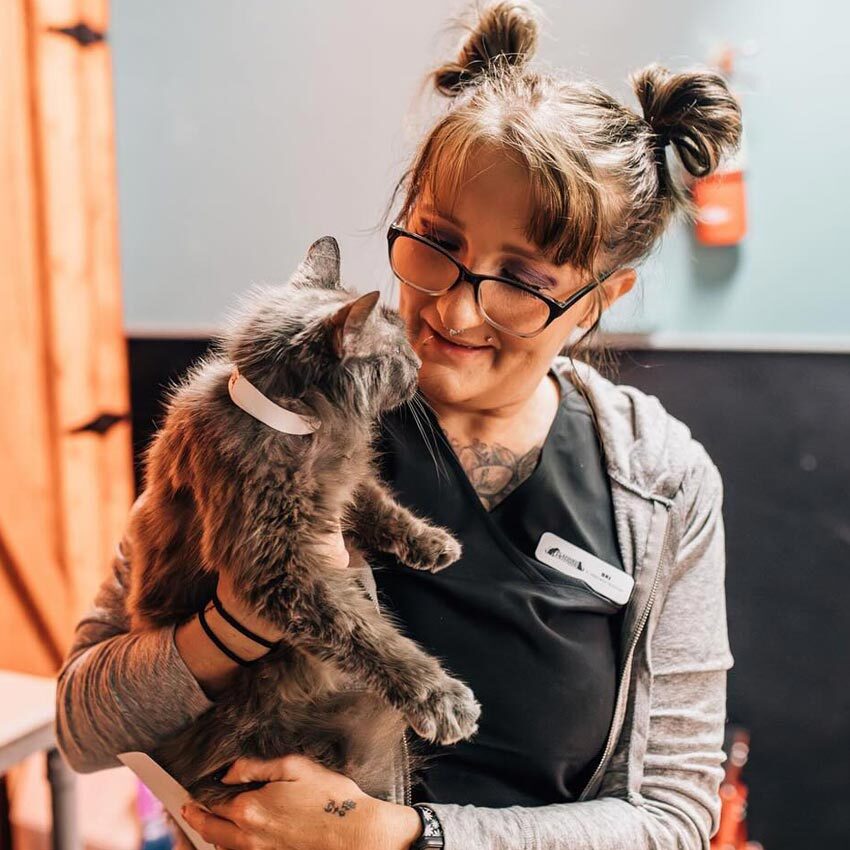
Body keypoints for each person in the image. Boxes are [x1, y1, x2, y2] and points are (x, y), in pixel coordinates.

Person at [55, 2, 742, 848]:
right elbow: (84, 723)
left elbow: (672, 819)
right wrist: (226, 629)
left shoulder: (659, 482)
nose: (453, 307)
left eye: (521, 279)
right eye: (436, 242)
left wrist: (398, 836)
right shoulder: (278, 412)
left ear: (600, 299)